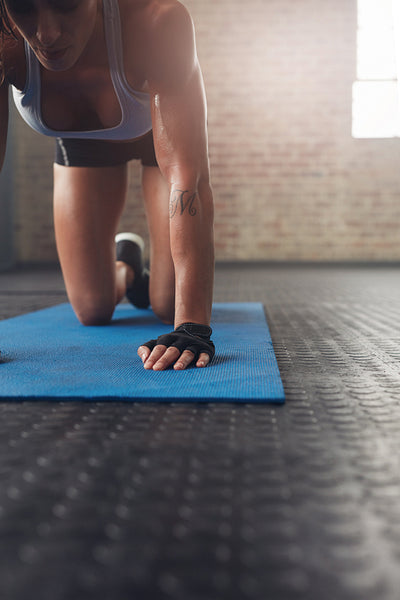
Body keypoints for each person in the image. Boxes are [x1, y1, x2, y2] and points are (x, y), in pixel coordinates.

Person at [0, 0, 215, 371]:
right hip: (80, 142)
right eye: (23, 6)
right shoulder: (5, 39)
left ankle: (152, 285)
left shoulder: (157, 21)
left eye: (65, 5)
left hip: (157, 133)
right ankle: (126, 265)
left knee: (167, 306)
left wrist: (192, 327)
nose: (46, 33)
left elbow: (186, 175)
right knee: (92, 309)